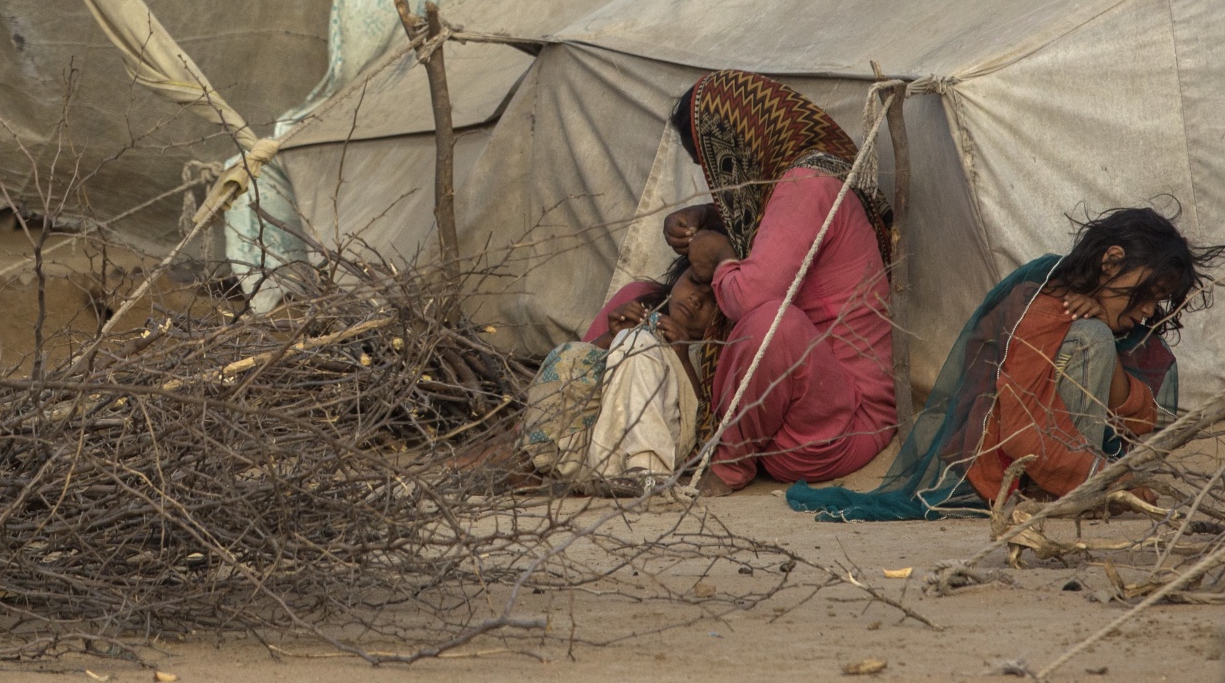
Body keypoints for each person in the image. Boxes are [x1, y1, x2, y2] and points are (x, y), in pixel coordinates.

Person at [791, 206, 1214, 521]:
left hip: (1072, 461)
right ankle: (1067, 495)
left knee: (1096, 338)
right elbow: (1021, 430)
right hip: (1012, 473)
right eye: (1144, 295)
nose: (1147, 311)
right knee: (1090, 339)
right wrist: (1105, 479)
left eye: (1157, 302)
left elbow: (1139, 419)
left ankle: (1081, 486)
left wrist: (1107, 342)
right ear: (1111, 261)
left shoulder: (1119, 328)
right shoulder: (1045, 305)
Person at [665, 69, 897, 494]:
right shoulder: (809, 175)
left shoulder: (805, 185)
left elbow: (749, 298)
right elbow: (769, 227)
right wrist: (707, 216)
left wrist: (720, 257)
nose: (718, 181)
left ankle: (730, 466)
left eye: (712, 166)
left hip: (841, 430)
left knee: (773, 323)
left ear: (735, 146)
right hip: (812, 413)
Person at [520, 262, 725, 489]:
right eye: (694, 282)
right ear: (676, 279)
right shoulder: (640, 317)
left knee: (639, 342)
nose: (696, 299)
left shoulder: (709, 350)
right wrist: (612, 337)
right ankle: (539, 460)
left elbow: (701, 419)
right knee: (569, 354)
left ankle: (646, 470)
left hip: (664, 449)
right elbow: (583, 378)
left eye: (711, 299)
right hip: (600, 455)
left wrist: (682, 357)